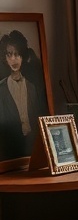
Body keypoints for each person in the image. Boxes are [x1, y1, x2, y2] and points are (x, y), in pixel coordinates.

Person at [0, 30, 43, 160]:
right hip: (9, 150)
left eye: (17, 54)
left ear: (23, 56)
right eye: (9, 54)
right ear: (5, 57)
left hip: (33, 147)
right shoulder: (1, 88)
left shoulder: (32, 87)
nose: (13, 59)